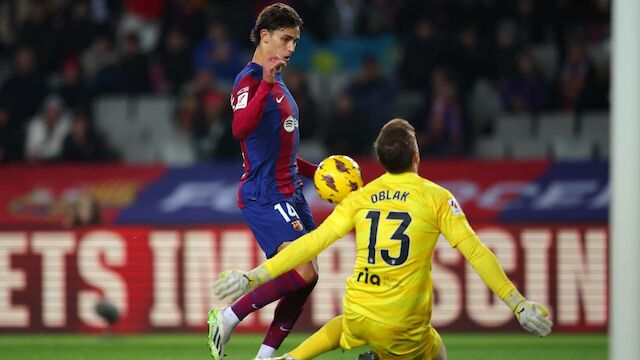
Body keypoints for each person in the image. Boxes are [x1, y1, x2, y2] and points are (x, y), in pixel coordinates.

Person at [213, 118, 553, 359]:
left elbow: (311, 244)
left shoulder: (361, 198)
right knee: (435, 351)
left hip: (359, 310)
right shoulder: (436, 198)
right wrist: (516, 303)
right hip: (403, 322)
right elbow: (476, 252)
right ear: (416, 156)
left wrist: (253, 275)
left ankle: (292, 359)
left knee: (346, 328)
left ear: (380, 161)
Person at [207, 3, 320, 360]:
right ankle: (228, 315)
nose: (290, 48)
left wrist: (319, 174)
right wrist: (266, 83)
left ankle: (265, 357)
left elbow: (280, 152)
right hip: (264, 194)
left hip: (291, 192)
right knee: (301, 272)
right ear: (265, 36)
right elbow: (240, 130)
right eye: (285, 39)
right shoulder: (251, 79)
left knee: (309, 277)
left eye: (295, 42)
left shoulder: (279, 83)